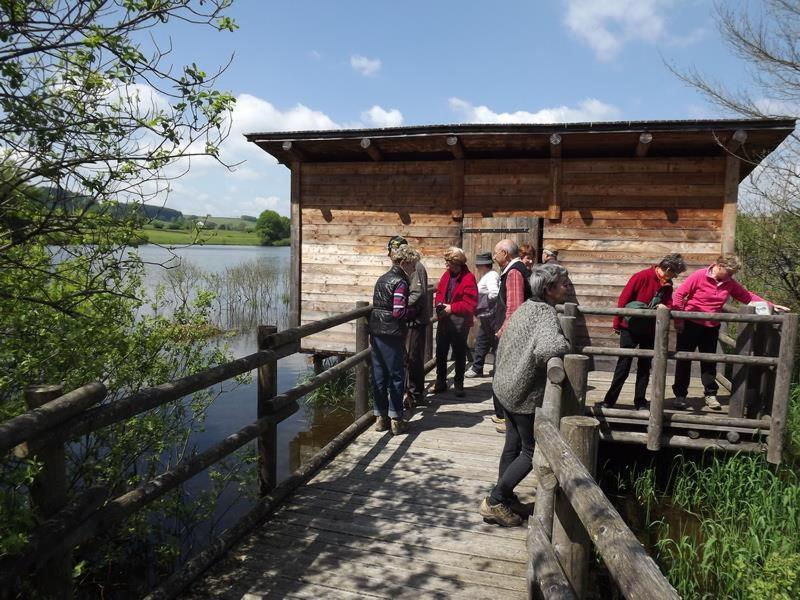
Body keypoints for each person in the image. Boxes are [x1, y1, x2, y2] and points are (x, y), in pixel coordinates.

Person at [479, 263, 571, 527]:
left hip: (505, 387)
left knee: (512, 444)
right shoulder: (544, 314)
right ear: (550, 289)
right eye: (564, 284)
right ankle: (495, 501)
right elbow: (547, 350)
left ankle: (505, 497)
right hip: (521, 393)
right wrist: (565, 343)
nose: (567, 288)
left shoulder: (527, 307)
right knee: (531, 451)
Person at [672, 253, 789, 410]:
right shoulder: (699, 275)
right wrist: (679, 320)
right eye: (729, 272)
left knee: (709, 361)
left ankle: (710, 394)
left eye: (733, 273)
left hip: (711, 327)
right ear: (719, 266)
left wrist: (771, 305)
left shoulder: (729, 283)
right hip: (691, 324)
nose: (730, 276)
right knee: (684, 360)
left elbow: (747, 297)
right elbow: (679, 295)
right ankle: (680, 396)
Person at [600, 253, 687, 410]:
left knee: (645, 366)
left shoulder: (667, 284)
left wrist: (665, 307)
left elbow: (668, 302)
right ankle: (609, 400)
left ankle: (639, 401)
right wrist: (617, 323)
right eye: (674, 273)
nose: (675, 276)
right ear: (667, 269)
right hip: (630, 327)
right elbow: (624, 299)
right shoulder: (641, 277)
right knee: (623, 365)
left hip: (650, 329)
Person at [368, 243, 421, 435]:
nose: (415, 268)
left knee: (379, 375)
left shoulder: (382, 278)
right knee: (397, 376)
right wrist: (413, 311)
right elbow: (399, 311)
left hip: (376, 331)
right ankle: (397, 419)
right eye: (413, 264)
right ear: (405, 262)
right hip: (392, 333)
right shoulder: (400, 281)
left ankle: (380, 418)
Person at [382, 236, 430, 410]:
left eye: (391, 250)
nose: (390, 254)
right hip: (406, 318)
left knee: (413, 358)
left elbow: (417, 293)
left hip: (415, 320)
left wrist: (399, 304)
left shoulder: (415, 266)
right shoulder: (402, 266)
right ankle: (408, 393)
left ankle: (416, 394)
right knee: (406, 357)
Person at [490, 239, 532, 430]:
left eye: (496, 253)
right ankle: (503, 416)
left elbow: (514, 308)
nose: (494, 256)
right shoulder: (513, 270)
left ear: (505, 254)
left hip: (510, 335)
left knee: (506, 375)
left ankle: (508, 420)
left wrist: (502, 332)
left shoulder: (514, 272)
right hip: (510, 333)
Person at [433, 247, 478, 398]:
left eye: (448, 262)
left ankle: (459, 384)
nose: (446, 265)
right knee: (441, 351)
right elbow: (439, 292)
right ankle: (441, 381)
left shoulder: (468, 278)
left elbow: (470, 304)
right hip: (444, 320)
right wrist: (439, 304)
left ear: (456, 263)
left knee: (459, 354)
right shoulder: (446, 275)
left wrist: (452, 308)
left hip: (460, 321)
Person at [466, 252, 500, 379]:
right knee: (483, 341)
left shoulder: (491, 276)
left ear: (483, 265)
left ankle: (479, 368)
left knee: (487, 342)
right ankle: (478, 368)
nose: (477, 267)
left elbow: (494, 293)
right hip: (488, 315)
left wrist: (482, 301)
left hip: (490, 315)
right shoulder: (489, 275)